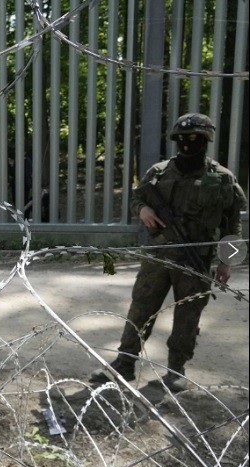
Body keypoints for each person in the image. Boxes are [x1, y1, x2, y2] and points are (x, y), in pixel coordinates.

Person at [90, 113, 246, 392]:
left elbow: (232, 222)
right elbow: (137, 197)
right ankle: (124, 363)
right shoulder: (159, 172)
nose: (188, 143)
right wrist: (143, 210)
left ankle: (176, 368)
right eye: (183, 139)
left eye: (195, 138)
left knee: (188, 316)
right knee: (141, 309)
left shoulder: (222, 179)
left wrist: (227, 262)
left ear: (206, 140)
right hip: (157, 257)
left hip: (195, 258)